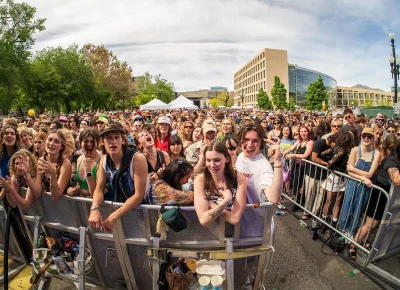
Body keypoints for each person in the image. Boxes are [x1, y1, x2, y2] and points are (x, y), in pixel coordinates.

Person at [88, 123, 148, 232]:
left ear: (123, 140)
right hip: (119, 213)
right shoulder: (104, 160)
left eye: (117, 137)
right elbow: (99, 189)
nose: (113, 142)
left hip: (141, 214)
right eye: (109, 138)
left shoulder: (137, 158)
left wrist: (113, 217)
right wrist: (94, 208)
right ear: (102, 141)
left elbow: (139, 195)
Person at [349, 136, 400, 260]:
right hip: (379, 195)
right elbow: (397, 180)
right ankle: (352, 245)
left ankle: (363, 241)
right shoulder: (392, 161)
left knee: (375, 225)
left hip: (387, 196)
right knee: (370, 224)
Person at [194, 141, 247, 226]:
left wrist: (211, 205)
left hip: (233, 234)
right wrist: (225, 202)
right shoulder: (200, 180)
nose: (212, 165)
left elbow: (235, 219)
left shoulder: (239, 178)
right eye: (208, 160)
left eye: (217, 160)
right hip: (208, 235)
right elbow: (203, 220)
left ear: (227, 159)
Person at [339, 127, 380, 235]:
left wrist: (353, 168)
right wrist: (363, 178)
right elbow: (349, 173)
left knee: (358, 210)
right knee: (347, 208)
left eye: (369, 136)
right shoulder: (355, 150)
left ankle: (351, 233)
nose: (366, 138)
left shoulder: (376, 154)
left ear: (373, 138)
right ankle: (342, 231)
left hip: (365, 187)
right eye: (364, 135)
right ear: (361, 137)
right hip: (353, 184)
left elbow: (370, 174)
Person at [235, 124, 283, 204]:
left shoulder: (264, 166)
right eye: (246, 140)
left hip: (253, 215)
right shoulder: (241, 156)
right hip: (238, 214)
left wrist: (278, 161)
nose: (249, 145)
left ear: (261, 142)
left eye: (255, 141)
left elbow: (274, 198)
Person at [320, 132, 354, 224]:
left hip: (341, 177)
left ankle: (332, 221)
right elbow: (328, 160)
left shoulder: (338, 149)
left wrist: (331, 160)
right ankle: (324, 220)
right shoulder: (343, 150)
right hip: (336, 177)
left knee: (335, 201)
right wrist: (332, 163)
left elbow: (323, 154)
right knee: (331, 201)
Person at [283, 126, 314, 210]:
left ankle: (300, 203)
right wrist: (286, 151)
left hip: (304, 167)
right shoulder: (299, 141)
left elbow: (305, 155)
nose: (303, 133)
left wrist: (293, 155)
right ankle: (297, 202)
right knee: (296, 184)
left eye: (305, 131)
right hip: (297, 166)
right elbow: (291, 148)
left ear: (308, 132)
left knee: (302, 186)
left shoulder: (310, 142)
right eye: (301, 131)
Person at [66, 128, 101, 198]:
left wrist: (88, 171)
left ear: (97, 143)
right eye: (86, 141)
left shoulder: (102, 160)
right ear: (80, 142)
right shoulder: (80, 159)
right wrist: (75, 190)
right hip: (82, 204)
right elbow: (81, 185)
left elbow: (97, 192)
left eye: (92, 142)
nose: (89, 144)